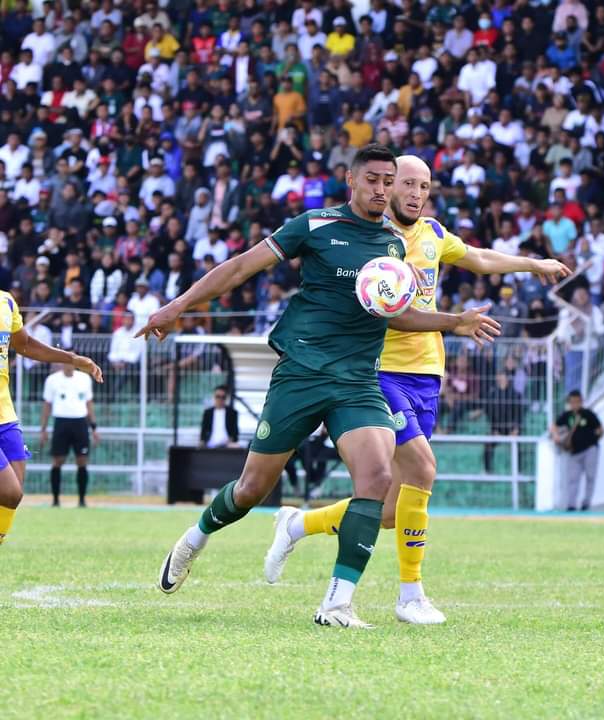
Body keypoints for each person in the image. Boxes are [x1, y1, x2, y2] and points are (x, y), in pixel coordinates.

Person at [136, 144, 498, 629]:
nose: (382, 189)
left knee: (378, 480)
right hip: (302, 373)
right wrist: (177, 306)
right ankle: (193, 540)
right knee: (250, 489)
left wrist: (454, 322)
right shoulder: (314, 225)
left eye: (388, 181)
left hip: (358, 380)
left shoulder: (393, 247)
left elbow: (397, 314)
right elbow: (241, 266)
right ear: (352, 180)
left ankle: (336, 605)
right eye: (373, 179)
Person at [263, 154, 570, 624]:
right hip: (378, 371)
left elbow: (480, 259)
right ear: (387, 186)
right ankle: (410, 597)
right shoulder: (372, 239)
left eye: (423, 186)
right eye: (406, 183)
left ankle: (298, 524)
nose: (414, 193)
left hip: (427, 374)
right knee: (424, 467)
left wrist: (533, 264)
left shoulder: (433, 234)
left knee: (390, 511)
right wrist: (451, 321)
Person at [0, 293, 101, 544]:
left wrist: (72, 359)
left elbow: (24, 344)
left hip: (5, 414)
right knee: (8, 489)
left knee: (13, 495)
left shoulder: (7, 302)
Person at [40, 364, 100, 508]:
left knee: (82, 460)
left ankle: (82, 500)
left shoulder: (84, 379)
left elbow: (89, 404)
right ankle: (55, 500)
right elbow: (47, 405)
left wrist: (94, 427)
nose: (68, 364)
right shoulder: (52, 380)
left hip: (80, 422)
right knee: (58, 460)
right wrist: (43, 429)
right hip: (61, 422)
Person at [552, 390, 604, 511]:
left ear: (581, 402)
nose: (574, 404)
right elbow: (554, 426)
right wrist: (556, 436)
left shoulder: (588, 414)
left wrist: (593, 440)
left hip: (590, 449)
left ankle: (586, 503)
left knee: (590, 476)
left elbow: (601, 430)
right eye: (572, 402)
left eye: (577, 401)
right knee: (572, 479)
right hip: (573, 452)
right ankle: (571, 505)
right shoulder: (566, 415)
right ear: (569, 403)